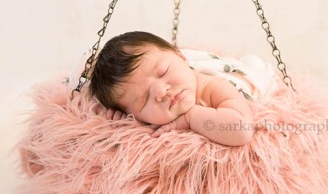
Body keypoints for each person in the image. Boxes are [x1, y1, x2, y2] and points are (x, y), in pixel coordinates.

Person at [88, 31, 260, 147]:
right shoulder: (144, 111)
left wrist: (190, 117)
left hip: (249, 73)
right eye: (143, 99)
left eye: (162, 72)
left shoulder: (215, 86)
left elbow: (242, 131)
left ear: (180, 57)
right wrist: (128, 121)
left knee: (254, 63)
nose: (161, 92)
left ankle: (254, 64)